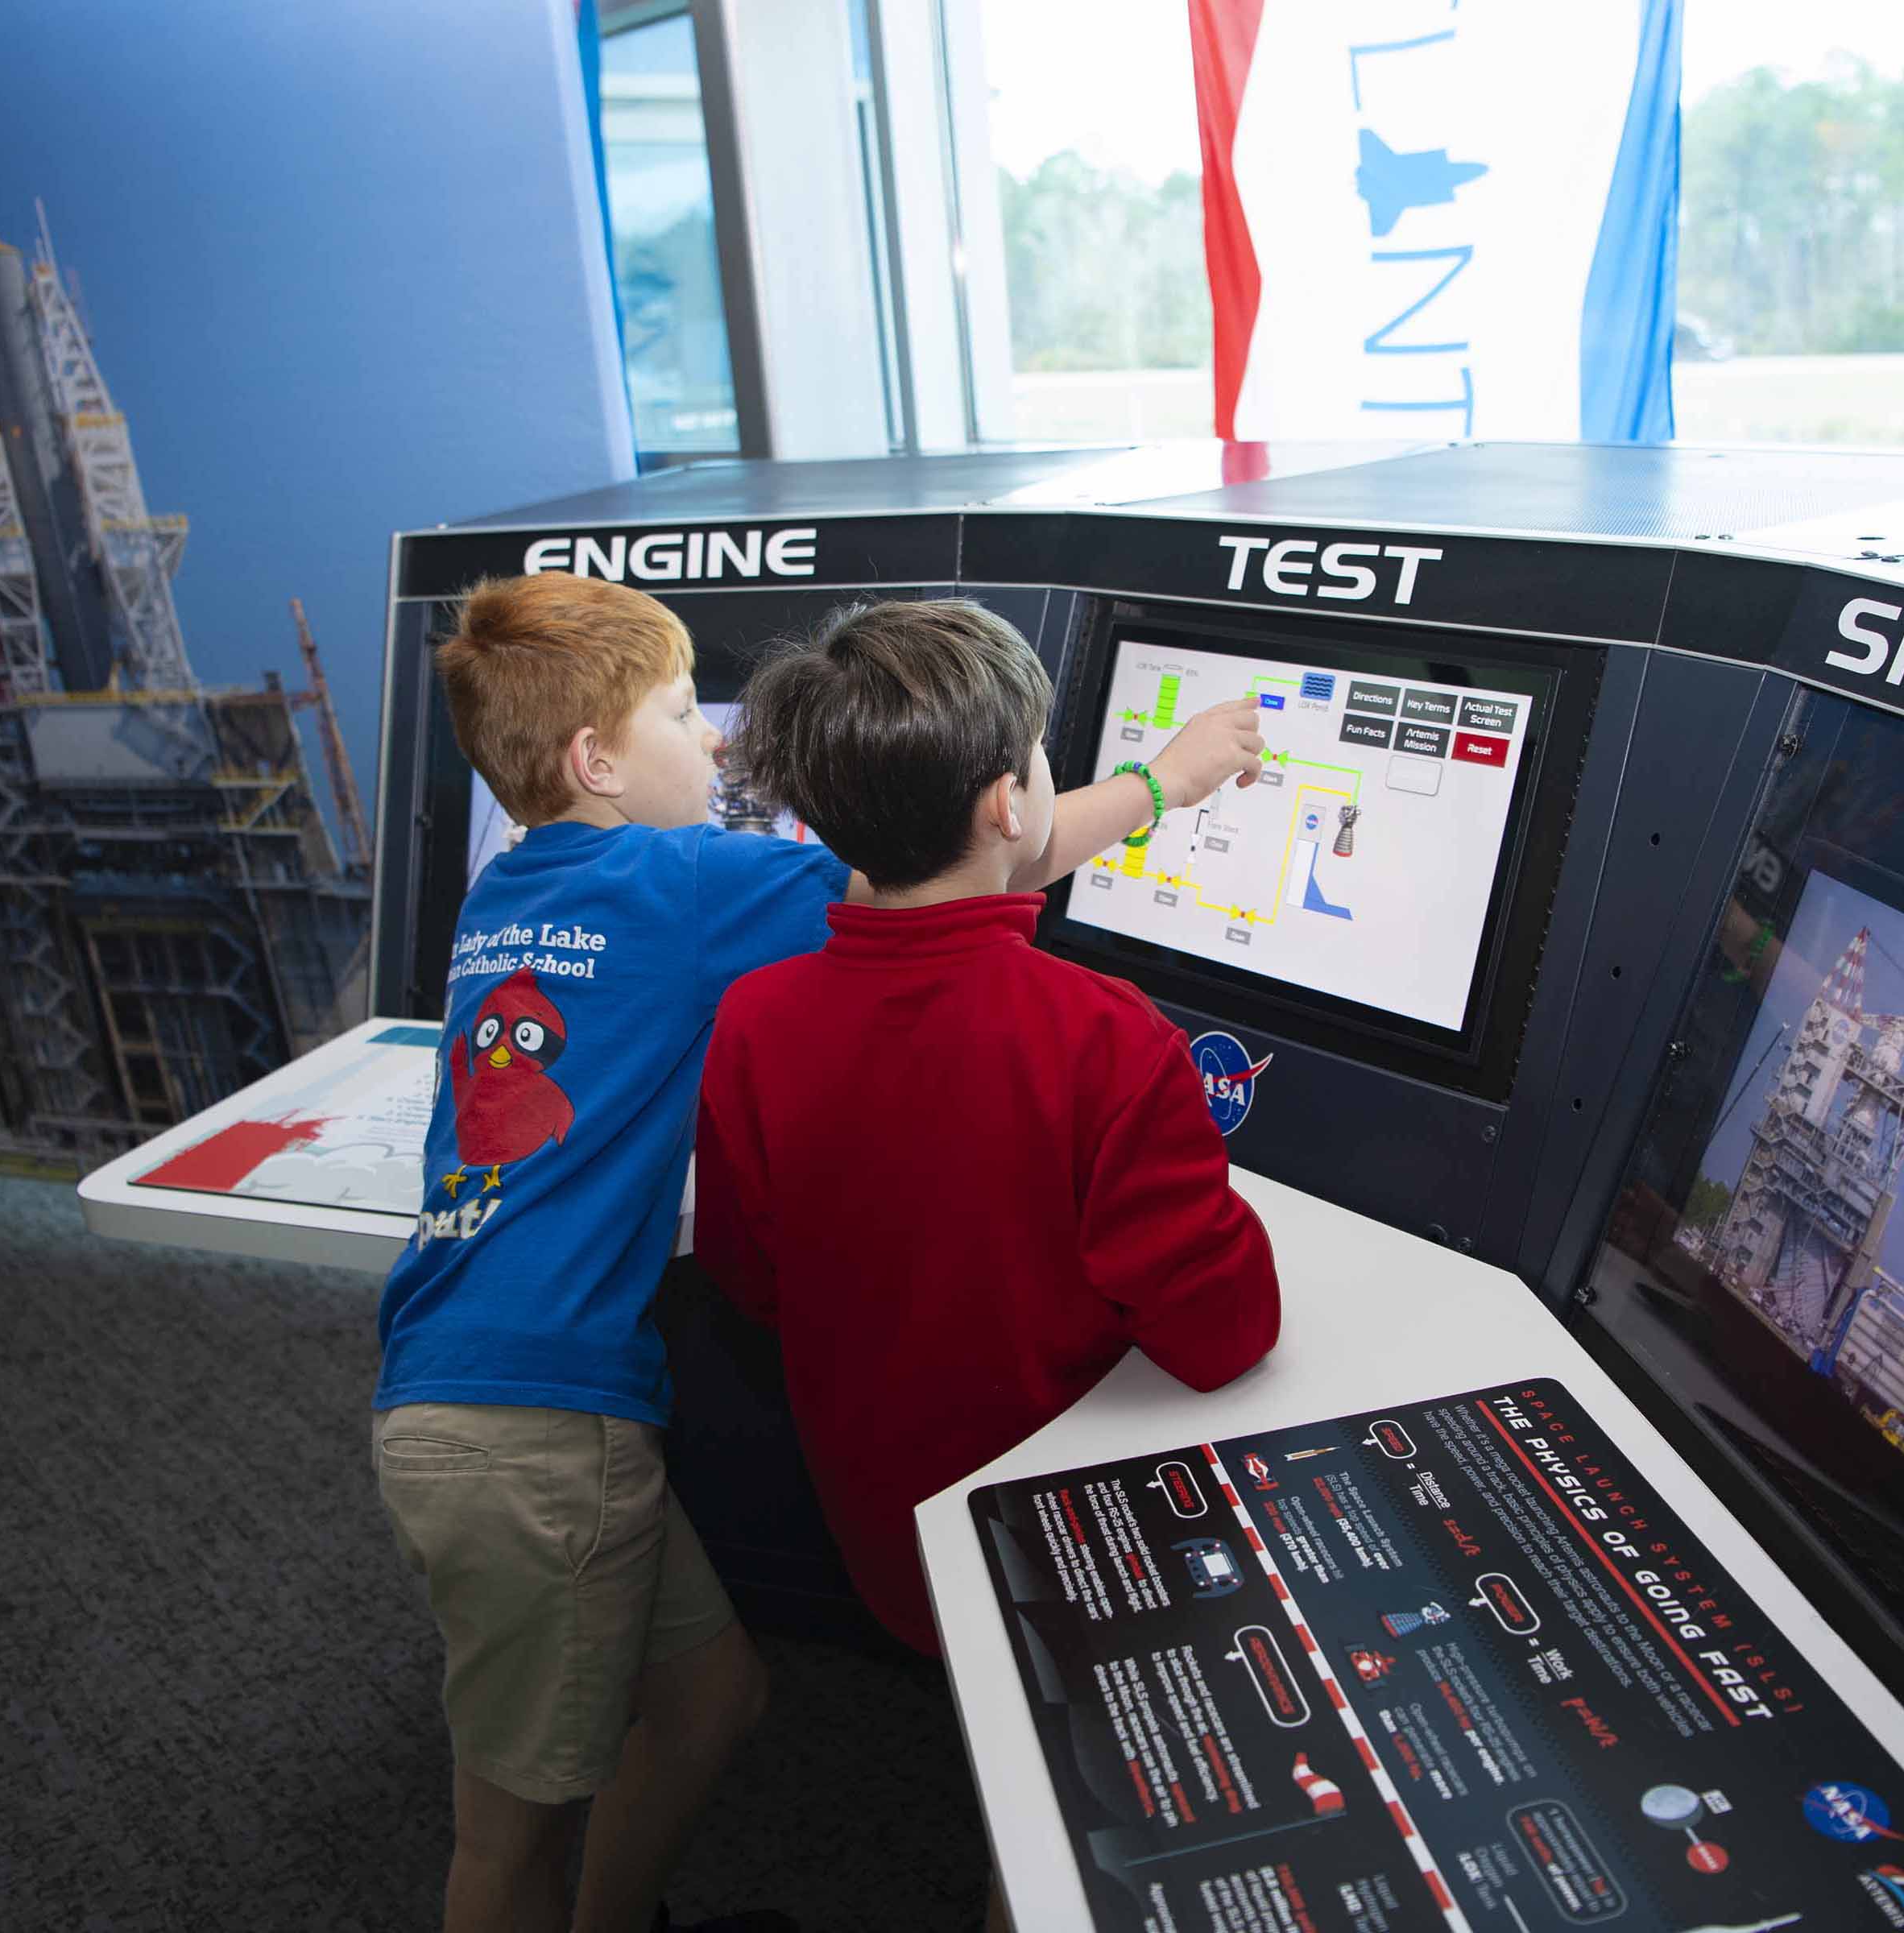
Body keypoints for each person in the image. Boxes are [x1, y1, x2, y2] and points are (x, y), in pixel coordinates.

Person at [370, 574, 1262, 1933]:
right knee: (506, 1836)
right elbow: (953, 872)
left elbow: (746, 1254)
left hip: (475, 1368)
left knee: (713, 1696)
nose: (715, 741)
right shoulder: (688, 883)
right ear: (594, 760)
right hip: (540, 1425)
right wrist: (1162, 780)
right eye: (681, 713)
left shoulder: (509, 892)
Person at [692, 598, 1285, 1666]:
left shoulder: (753, 1018)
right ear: (1011, 800)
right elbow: (1222, 1335)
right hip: (1064, 1556)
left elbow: (749, 1279)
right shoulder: (1107, 1038)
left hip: (883, 1544)